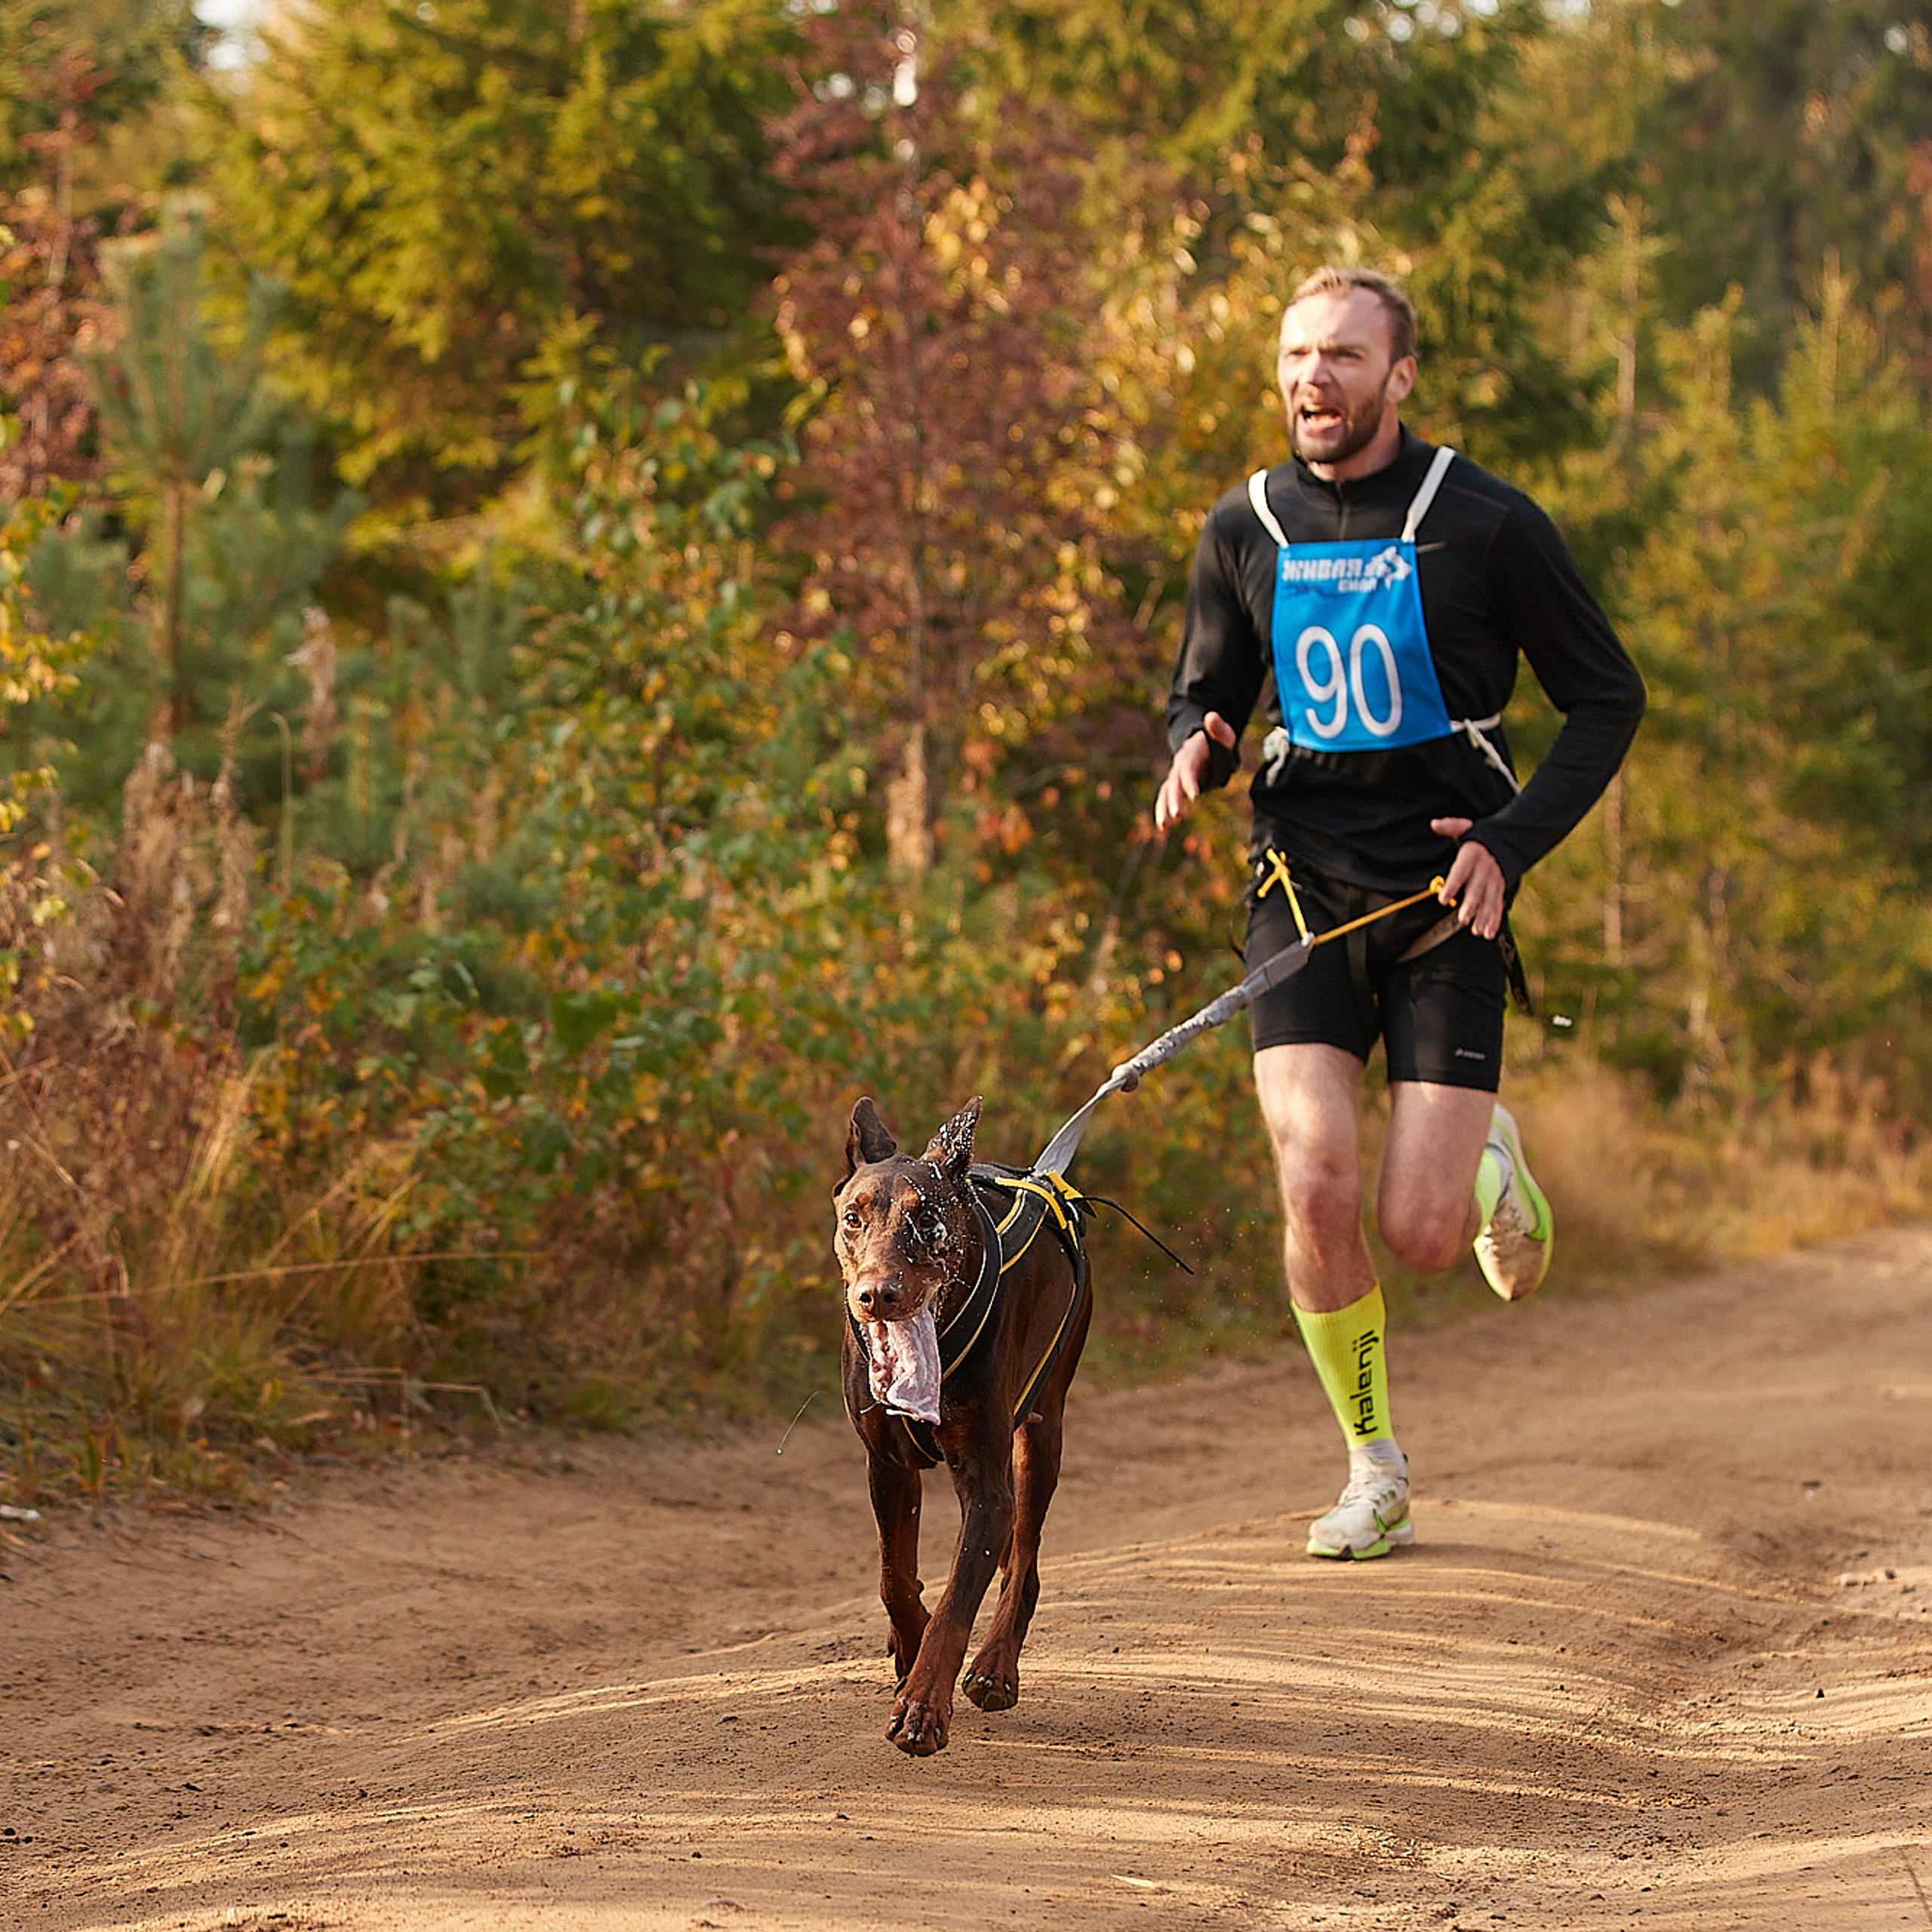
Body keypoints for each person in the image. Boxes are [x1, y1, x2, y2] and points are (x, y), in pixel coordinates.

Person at [1153, 265, 1645, 1561]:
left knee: (1422, 1238)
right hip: (1299, 889)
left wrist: (1513, 840)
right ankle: (1373, 1465)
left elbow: (1607, 697)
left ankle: (1485, 1155)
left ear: (1401, 375)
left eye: (1344, 357)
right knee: (1314, 1181)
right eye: (1298, 356)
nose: (1315, 379)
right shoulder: (1244, 522)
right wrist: (1195, 744)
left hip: (1442, 895)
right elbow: (1207, 682)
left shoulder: (1485, 523)